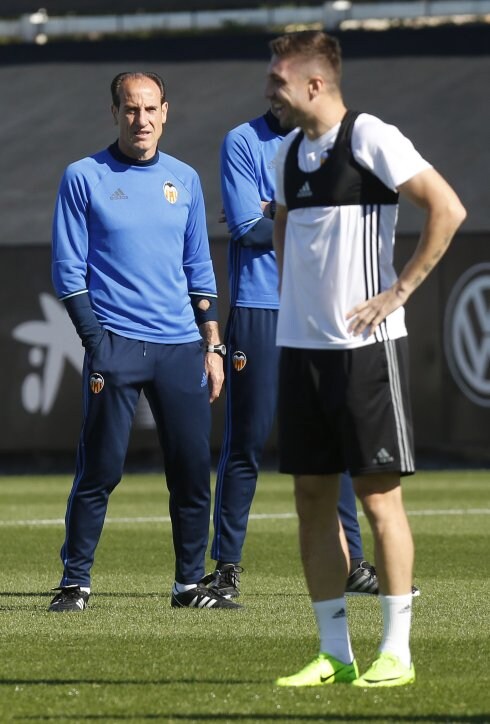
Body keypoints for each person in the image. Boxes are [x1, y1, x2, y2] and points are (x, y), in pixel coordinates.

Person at [266, 31, 466, 687]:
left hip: (364, 354)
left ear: (315, 85)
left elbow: (448, 208)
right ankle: (334, 655)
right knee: (311, 500)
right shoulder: (288, 153)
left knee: (380, 504)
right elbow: (285, 232)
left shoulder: (370, 136)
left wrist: (399, 291)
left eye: (280, 80)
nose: (271, 89)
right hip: (302, 353)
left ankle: (397, 652)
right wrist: (292, 310)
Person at [49, 71, 240, 612]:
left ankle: (188, 585)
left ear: (166, 112)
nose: (142, 120)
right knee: (101, 469)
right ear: (115, 113)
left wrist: (213, 343)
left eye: (150, 109)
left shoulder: (184, 179)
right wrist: (97, 341)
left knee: (188, 471)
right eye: (131, 110)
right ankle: (75, 582)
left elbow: (199, 268)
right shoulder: (83, 176)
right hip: (117, 346)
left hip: (182, 348)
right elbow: (68, 270)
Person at [211, 106, 381, 599]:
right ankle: (225, 568)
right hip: (260, 307)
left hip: (318, 308)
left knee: (335, 440)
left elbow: (351, 217)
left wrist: (275, 207)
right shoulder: (242, 140)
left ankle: (354, 564)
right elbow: (249, 230)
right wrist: (310, 209)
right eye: (277, 84)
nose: (285, 94)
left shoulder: (336, 142)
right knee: (246, 441)